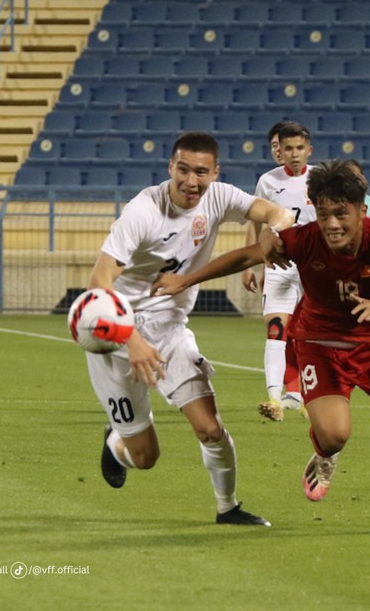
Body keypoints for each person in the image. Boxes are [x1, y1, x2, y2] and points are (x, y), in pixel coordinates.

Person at [151, 159, 370, 532]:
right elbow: (248, 256)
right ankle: (325, 455)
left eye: (341, 213)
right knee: (334, 434)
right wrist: (187, 280)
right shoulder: (307, 240)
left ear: (361, 210)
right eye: (323, 214)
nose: (332, 224)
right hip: (321, 344)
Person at [85, 131, 294, 526]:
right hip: (115, 332)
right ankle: (116, 440)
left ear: (215, 173)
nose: (191, 181)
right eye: (183, 169)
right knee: (145, 458)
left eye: (201, 172)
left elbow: (273, 212)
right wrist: (132, 340)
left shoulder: (219, 197)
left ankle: (227, 508)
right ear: (170, 167)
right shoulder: (143, 210)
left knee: (211, 429)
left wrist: (275, 230)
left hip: (171, 328)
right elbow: (98, 285)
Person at [245, 122, 317, 422]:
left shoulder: (321, 179)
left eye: (300, 148)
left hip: (314, 267)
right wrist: (252, 262)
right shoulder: (267, 182)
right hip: (279, 264)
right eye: (288, 148)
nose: (294, 154)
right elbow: (257, 223)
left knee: (313, 334)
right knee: (276, 330)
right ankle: (274, 398)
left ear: (308, 150)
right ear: (279, 150)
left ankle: (306, 396)